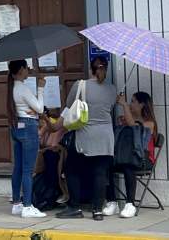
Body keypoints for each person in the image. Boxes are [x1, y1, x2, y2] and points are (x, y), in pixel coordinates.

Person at [54, 56, 118, 221]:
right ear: (106, 69)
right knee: (100, 173)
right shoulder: (112, 89)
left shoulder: (80, 85)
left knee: (71, 169)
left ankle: (75, 207)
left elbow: (69, 106)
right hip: (106, 137)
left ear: (91, 69)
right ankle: (97, 210)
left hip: (85, 136)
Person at [103, 91, 158, 218]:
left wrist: (124, 105)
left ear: (142, 105)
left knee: (128, 166)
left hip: (143, 160)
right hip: (127, 157)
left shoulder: (150, 123)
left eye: (133, 102)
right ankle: (112, 201)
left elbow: (135, 127)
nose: (131, 104)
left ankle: (130, 204)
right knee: (105, 166)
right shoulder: (127, 121)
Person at [7, 60, 48, 218]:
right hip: (29, 127)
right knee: (28, 170)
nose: (28, 70)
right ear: (21, 70)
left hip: (17, 127)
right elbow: (39, 108)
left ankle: (17, 203)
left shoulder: (11, 88)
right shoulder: (23, 88)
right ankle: (28, 206)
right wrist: (41, 88)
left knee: (18, 167)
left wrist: (34, 112)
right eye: (26, 68)